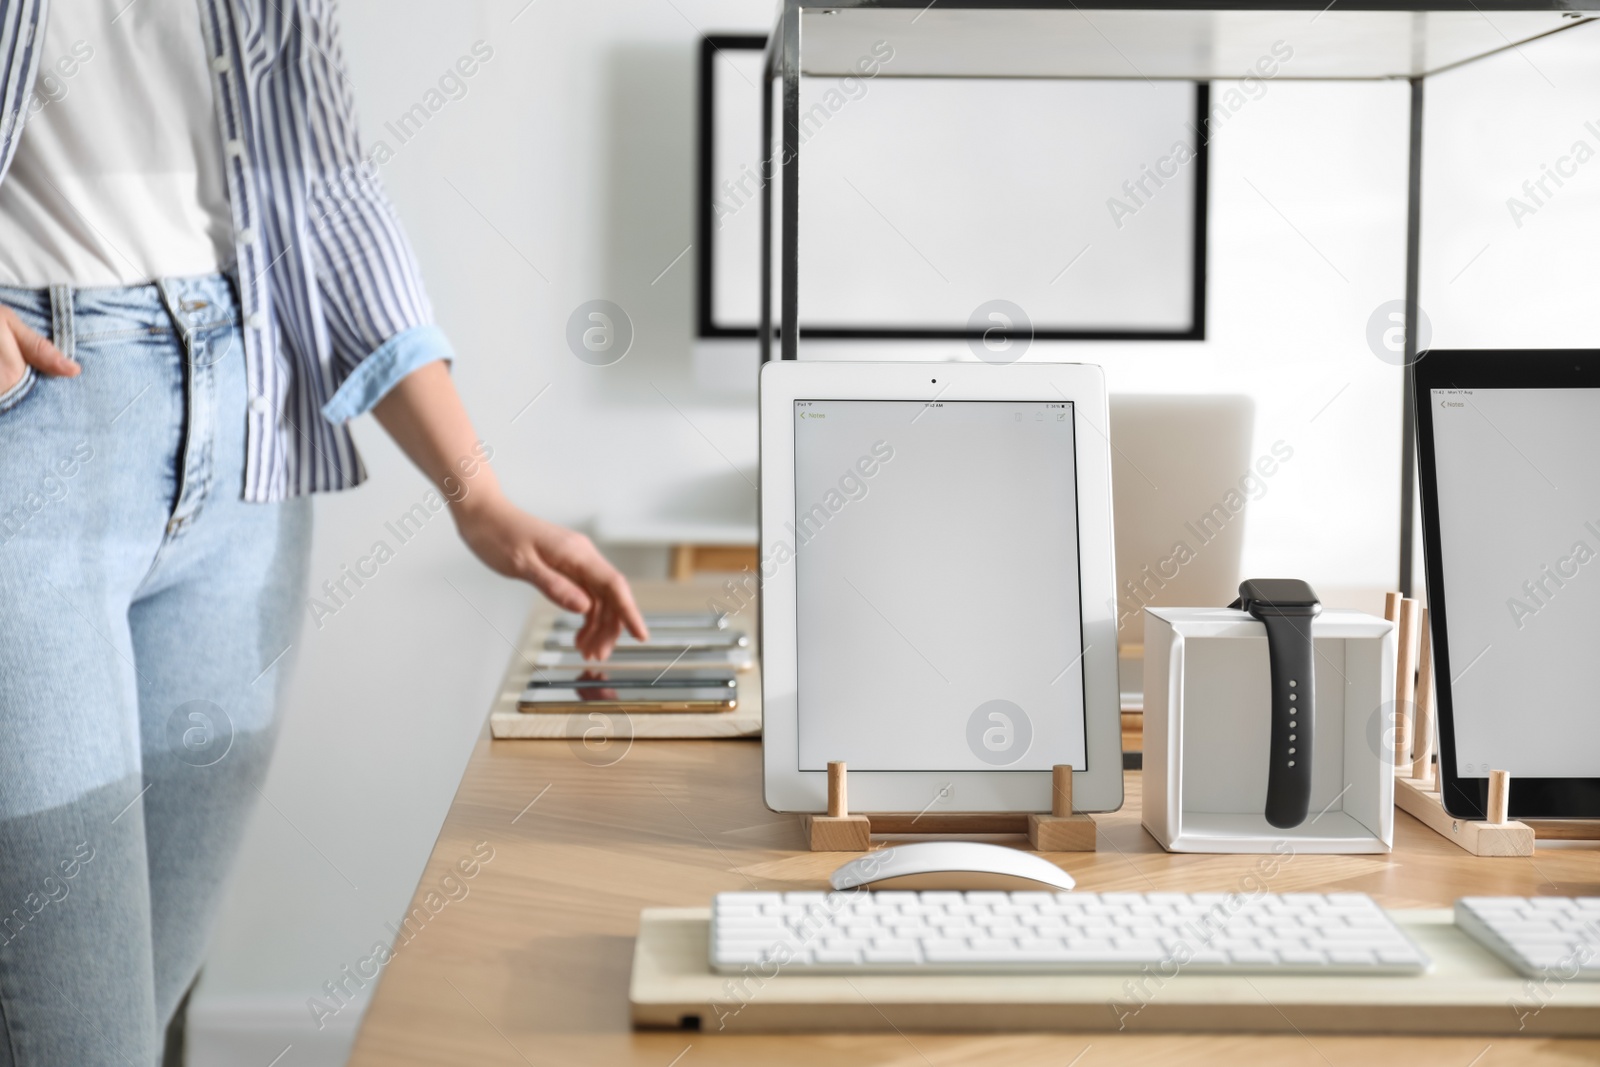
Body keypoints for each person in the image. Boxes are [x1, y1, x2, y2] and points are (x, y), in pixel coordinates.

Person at [0, 2, 646, 1063]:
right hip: (36, 429)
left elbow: (327, 187)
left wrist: (474, 489)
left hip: (248, 448)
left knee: (145, 1011)